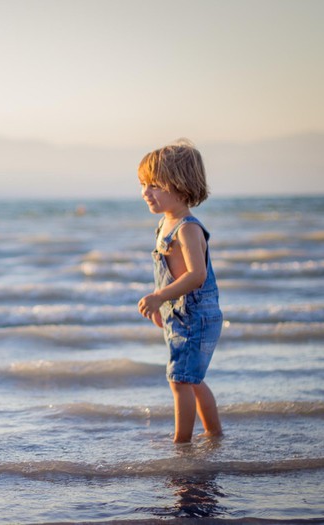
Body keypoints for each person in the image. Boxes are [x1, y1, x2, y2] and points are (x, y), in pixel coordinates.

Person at [136, 139, 223, 443]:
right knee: (191, 379)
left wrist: (160, 297)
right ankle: (214, 435)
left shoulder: (187, 228)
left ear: (180, 185)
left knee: (180, 381)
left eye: (154, 185)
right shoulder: (164, 224)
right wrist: (162, 305)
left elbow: (196, 276)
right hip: (179, 314)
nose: (146, 192)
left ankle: (181, 443)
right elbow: (168, 275)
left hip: (196, 315)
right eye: (143, 184)